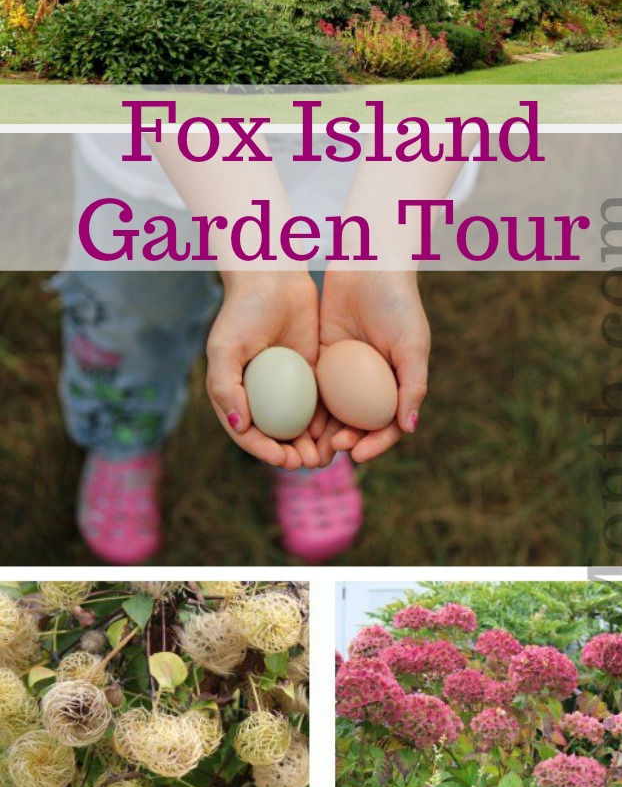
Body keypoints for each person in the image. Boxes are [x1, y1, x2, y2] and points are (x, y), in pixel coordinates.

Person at [56, 133, 471, 565]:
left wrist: (378, 256)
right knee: (131, 314)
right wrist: (262, 269)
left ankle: (307, 431)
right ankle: (123, 429)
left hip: (368, 183)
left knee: (324, 313)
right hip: (155, 162)